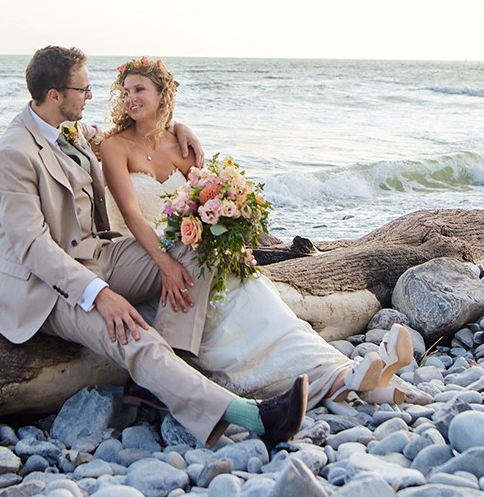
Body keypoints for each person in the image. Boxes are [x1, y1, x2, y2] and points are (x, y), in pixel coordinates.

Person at [0, 46, 308, 447]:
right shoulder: (13, 153)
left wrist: (179, 128)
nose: (90, 97)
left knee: (193, 243)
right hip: (44, 285)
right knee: (132, 333)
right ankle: (254, 418)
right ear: (55, 95)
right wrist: (100, 295)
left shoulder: (69, 129)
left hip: (98, 253)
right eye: (83, 89)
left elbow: (134, 135)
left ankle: (163, 371)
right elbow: (33, 247)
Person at [98, 57, 417, 408]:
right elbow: (130, 214)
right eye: (125, 91)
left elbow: (203, 200)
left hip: (197, 247)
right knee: (231, 305)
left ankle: (347, 374)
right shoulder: (116, 146)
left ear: (163, 94)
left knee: (257, 295)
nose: (130, 98)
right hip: (150, 251)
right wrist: (164, 264)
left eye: (139, 89)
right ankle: (342, 378)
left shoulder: (181, 143)